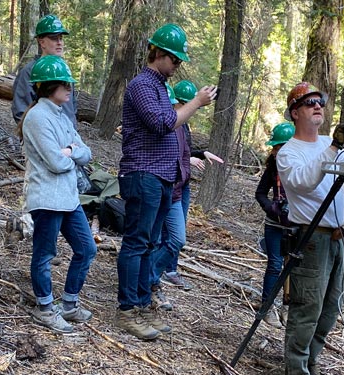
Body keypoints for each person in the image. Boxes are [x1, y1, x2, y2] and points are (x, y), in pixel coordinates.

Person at [115, 23, 218, 341]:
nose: (178, 66)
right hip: (143, 174)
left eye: (179, 61)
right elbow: (162, 123)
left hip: (161, 177)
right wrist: (196, 103)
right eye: (174, 59)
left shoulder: (160, 87)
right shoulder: (143, 85)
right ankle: (127, 309)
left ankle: (143, 303)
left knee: (150, 244)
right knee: (136, 243)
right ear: (158, 53)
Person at [18, 55, 96, 334]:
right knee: (44, 254)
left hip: (68, 197)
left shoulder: (60, 116)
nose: (70, 88)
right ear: (50, 85)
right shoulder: (38, 117)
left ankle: (69, 304)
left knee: (87, 249)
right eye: (65, 84)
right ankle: (44, 308)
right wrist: (70, 154)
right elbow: (56, 162)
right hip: (47, 196)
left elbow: (85, 153)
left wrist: (72, 151)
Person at [276, 82, 344, 375]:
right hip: (311, 239)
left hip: (337, 237)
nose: (318, 106)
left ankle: (311, 363)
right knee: (307, 309)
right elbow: (305, 181)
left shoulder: (328, 146)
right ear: (295, 113)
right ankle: (296, 368)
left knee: (330, 310)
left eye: (320, 101)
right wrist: (334, 146)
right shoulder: (288, 152)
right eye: (309, 103)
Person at [151, 80, 224, 297]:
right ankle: (152, 277)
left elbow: (185, 150)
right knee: (161, 237)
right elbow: (164, 153)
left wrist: (199, 154)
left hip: (180, 187)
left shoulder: (184, 124)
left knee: (176, 237)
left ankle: (161, 272)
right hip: (166, 187)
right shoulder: (169, 122)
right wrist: (188, 160)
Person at [255, 122, 295, 328]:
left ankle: (287, 309)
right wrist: (272, 208)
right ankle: (266, 307)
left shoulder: (302, 168)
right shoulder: (273, 168)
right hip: (274, 225)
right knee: (275, 265)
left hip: (297, 227)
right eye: (275, 147)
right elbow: (260, 193)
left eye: (280, 147)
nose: (276, 151)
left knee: (292, 268)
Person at [12, 14, 77, 128]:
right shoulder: (29, 72)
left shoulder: (64, 69)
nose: (59, 42)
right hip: (43, 139)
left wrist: (72, 135)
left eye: (61, 38)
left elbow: (72, 109)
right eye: (54, 38)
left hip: (69, 139)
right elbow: (21, 111)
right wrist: (42, 137)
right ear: (41, 42)